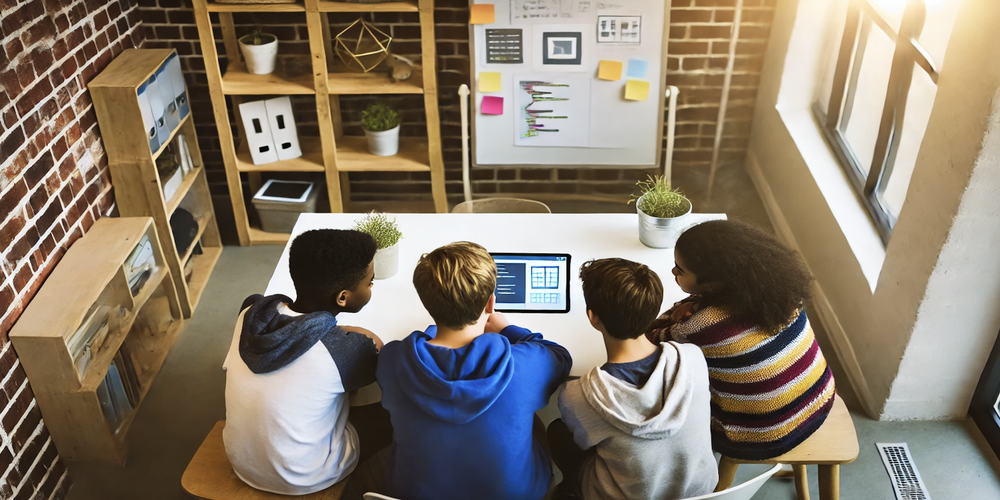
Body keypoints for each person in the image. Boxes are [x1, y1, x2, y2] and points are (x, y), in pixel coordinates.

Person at [377, 241, 573, 500]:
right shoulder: (524, 365)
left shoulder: (392, 359)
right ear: (490, 304)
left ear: (427, 305)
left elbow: (414, 345)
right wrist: (507, 330)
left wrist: (431, 333)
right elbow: (561, 356)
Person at [646, 219, 836, 461]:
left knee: (670, 388)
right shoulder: (785, 294)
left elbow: (651, 338)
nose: (673, 272)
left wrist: (676, 312)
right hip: (819, 397)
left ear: (713, 284)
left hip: (758, 437)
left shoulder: (702, 326)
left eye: (679, 270)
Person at [223, 229, 391, 495]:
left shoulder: (250, 315)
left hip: (242, 462)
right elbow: (375, 348)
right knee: (394, 413)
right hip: (305, 476)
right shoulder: (343, 351)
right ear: (343, 298)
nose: (371, 286)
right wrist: (360, 334)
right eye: (370, 282)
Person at [551, 258, 717, 500]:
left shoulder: (578, 395)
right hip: (698, 492)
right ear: (654, 311)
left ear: (592, 317)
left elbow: (584, 443)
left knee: (558, 431)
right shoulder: (692, 357)